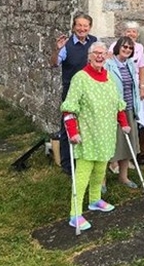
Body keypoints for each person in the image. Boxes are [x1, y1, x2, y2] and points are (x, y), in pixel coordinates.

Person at [60, 41, 130, 231]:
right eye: (96, 53)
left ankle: (95, 199)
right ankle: (75, 213)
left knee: (100, 169)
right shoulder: (80, 78)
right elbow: (69, 108)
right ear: (89, 56)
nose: (100, 56)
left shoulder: (108, 78)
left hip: (106, 134)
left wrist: (123, 122)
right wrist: (73, 132)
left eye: (103, 53)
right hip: (88, 135)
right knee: (83, 173)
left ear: (107, 56)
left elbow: (117, 103)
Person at [50, 12, 98, 176]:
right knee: (67, 127)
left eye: (85, 26)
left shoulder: (94, 42)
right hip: (71, 91)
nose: (82, 29)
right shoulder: (67, 45)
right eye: (79, 25)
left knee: (86, 126)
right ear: (73, 27)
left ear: (89, 27)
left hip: (90, 91)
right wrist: (57, 50)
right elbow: (54, 64)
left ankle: (84, 160)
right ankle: (67, 165)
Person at [105, 37, 144, 188]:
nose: (127, 50)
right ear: (118, 47)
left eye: (130, 48)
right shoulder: (108, 64)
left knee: (127, 144)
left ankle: (123, 177)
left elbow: (134, 88)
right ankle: (102, 180)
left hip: (129, 108)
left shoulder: (130, 64)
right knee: (111, 144)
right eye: (124, 47)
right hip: (114, 111)